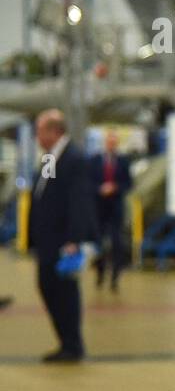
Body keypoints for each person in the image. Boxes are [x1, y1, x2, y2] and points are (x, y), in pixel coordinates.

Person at [29, 108, 94, 362]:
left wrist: (74, 240)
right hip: (47, 240)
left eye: (40, 131)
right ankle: (65, 342)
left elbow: (79, 201)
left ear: (54, 131)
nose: (37, 136)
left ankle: (72, 345)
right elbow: (44, 195)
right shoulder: (50, 157)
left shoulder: (73, 159)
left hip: (62, 241)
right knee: (47, 286)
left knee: (64, 291)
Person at [89, 129, 132, 292]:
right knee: (98, 243)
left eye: (114, 142)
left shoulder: (123, 161)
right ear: (105, 143)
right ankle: (100, 273)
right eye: (109, 141)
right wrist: (99, 189)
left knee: (117, 243)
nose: (111, 144)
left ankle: (115, 277)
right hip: (99, 208)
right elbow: (88, 183)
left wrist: (115, 188)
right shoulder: (94, 161)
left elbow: (128, 183)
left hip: (115, 208)